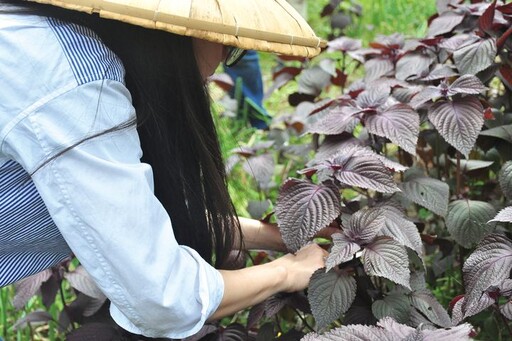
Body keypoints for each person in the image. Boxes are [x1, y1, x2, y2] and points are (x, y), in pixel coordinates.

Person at [0, 0, 330, 339]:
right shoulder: (76, 87)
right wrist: (288, 272)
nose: (223, 56)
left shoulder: (48, 38)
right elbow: (162, 296)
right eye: (225, 38)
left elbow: (134, 221)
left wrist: (283, 235)